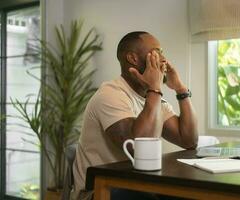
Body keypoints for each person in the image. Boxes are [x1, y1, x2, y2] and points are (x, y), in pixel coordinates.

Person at [72, 31, 198, 200]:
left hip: (134, 185)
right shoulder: (110, 94)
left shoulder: (153, 98)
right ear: (133, 58)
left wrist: (180, 89)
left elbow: (189, 140)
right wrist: (155, 89)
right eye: (156, 51)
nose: (163, 59)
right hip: (98, 192)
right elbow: (140, 149)